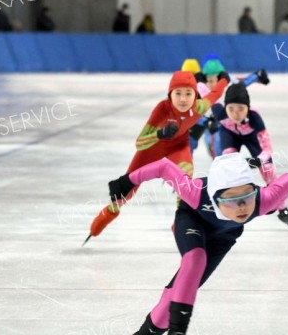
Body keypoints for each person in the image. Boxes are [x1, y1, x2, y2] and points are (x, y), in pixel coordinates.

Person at [108, 153, 288, 335]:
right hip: (192, 218)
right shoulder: (196, 193)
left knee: (176, 294)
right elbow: (163, 167)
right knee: (195, 259)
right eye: (231, 201)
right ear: (216, 199)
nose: (242, 207)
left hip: (223, 238)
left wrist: (272, 191)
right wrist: (127, 181)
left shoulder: (263, 201)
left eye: (247, 197)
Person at [84, 70, 230, 244]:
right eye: (178, 93)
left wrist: (224, 79)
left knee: (185, 177)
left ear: (195, 94)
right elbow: (140, 142)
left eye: (188, 93)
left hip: (178, 146)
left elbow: (216, 93)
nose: (183, 99)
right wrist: (160, 134)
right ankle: (104, 217)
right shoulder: (163, 108)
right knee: (126, 192)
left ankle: (180, 222)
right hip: (151, 149)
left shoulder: (199, 106)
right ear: (170, 95)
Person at [211, 82, 288, 230]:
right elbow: (204, 96)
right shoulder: (219, 112)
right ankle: (225, 206)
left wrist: (257, 161)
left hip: (252, 137)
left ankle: (283, 210)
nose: (235, 114)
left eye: (241, 109)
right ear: (225, 107)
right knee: (229, 165)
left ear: (248, 108)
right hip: (229, 135)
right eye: (231, 109)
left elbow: (267, 149)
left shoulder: (255, 119)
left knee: (268, 171)